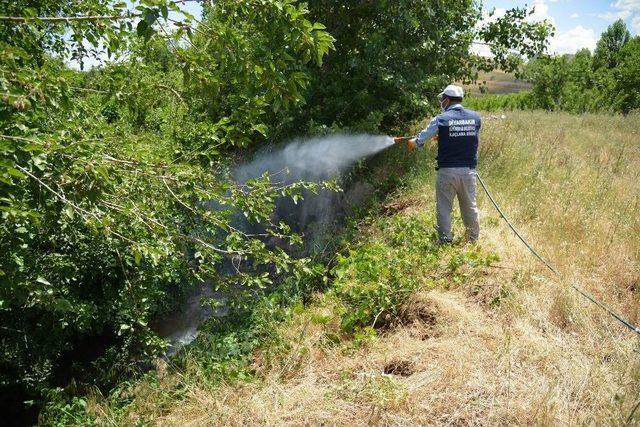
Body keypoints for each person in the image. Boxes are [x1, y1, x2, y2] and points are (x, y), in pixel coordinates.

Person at [398, 84, 481, 244]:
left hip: (447, 172)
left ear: (447, 100)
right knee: (470, 207)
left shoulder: (440, 119)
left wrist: (412, 143)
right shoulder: (475, 117)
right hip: (469, 172)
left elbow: (420, 139)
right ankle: (473, 240)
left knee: (444, 208)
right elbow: (466, 137)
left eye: (443, 99)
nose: (442, 101)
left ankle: (445, 240)